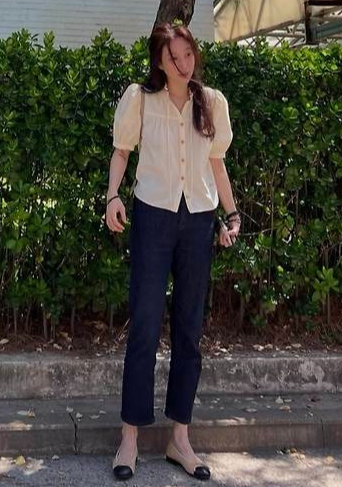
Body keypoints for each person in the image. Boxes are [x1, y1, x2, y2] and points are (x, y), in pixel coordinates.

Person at [106, 23, 240, 482]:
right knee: (144, 325)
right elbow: (121, 151)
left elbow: (216, 165)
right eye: (173, 58)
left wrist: (232, 214)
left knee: (189, 331)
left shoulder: (212, 103)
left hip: (198, 221)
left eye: (188, 54)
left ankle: (179, 438)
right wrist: (113, 196)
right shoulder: (141, 99)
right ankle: (129, 439)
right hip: (153, 218)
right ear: (159, 63)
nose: (183, 64)